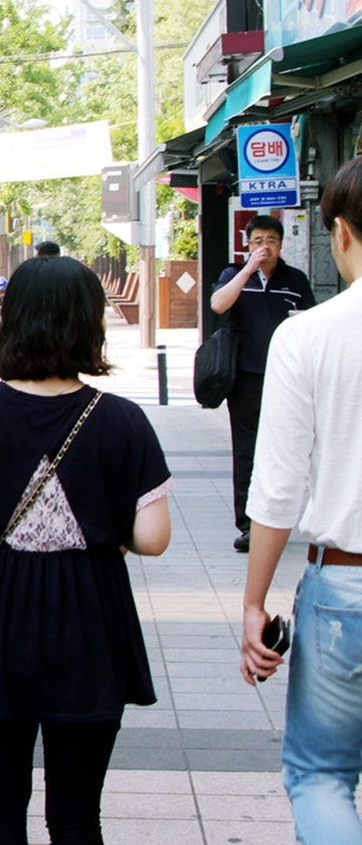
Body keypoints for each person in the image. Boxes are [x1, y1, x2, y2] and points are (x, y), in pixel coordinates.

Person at [0, 255, 172, 845]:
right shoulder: (122, 420)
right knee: (78, 817)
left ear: (15, 319)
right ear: (90, 324)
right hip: (92, 622)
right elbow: (153, 539)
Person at [239, 156, 362, 843]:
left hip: (345, 583)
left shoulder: (308, 335)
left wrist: (255, 603)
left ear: (340, 232)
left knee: (321, 777)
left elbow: (278, 484)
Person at [210, 214, 316, 553]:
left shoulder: (295, 280)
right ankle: (248, 526)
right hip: (245, 376)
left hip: (287, 377)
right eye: (258, 241)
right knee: (246, 452)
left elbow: (310, 322)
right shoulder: (233, 275)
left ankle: (278, 520)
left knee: (285, 450)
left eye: (271, 241)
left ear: (281, 244)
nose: (264, 247)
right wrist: (246, 270)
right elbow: (218, 304)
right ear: (247, 243)